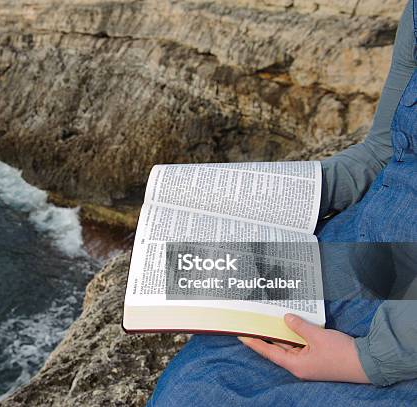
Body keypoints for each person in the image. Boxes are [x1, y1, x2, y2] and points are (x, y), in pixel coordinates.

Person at [149, 1, 417, 405]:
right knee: (190, 390)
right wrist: (273, 193)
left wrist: (369, 360)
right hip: (364, 246)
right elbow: (383, 151)